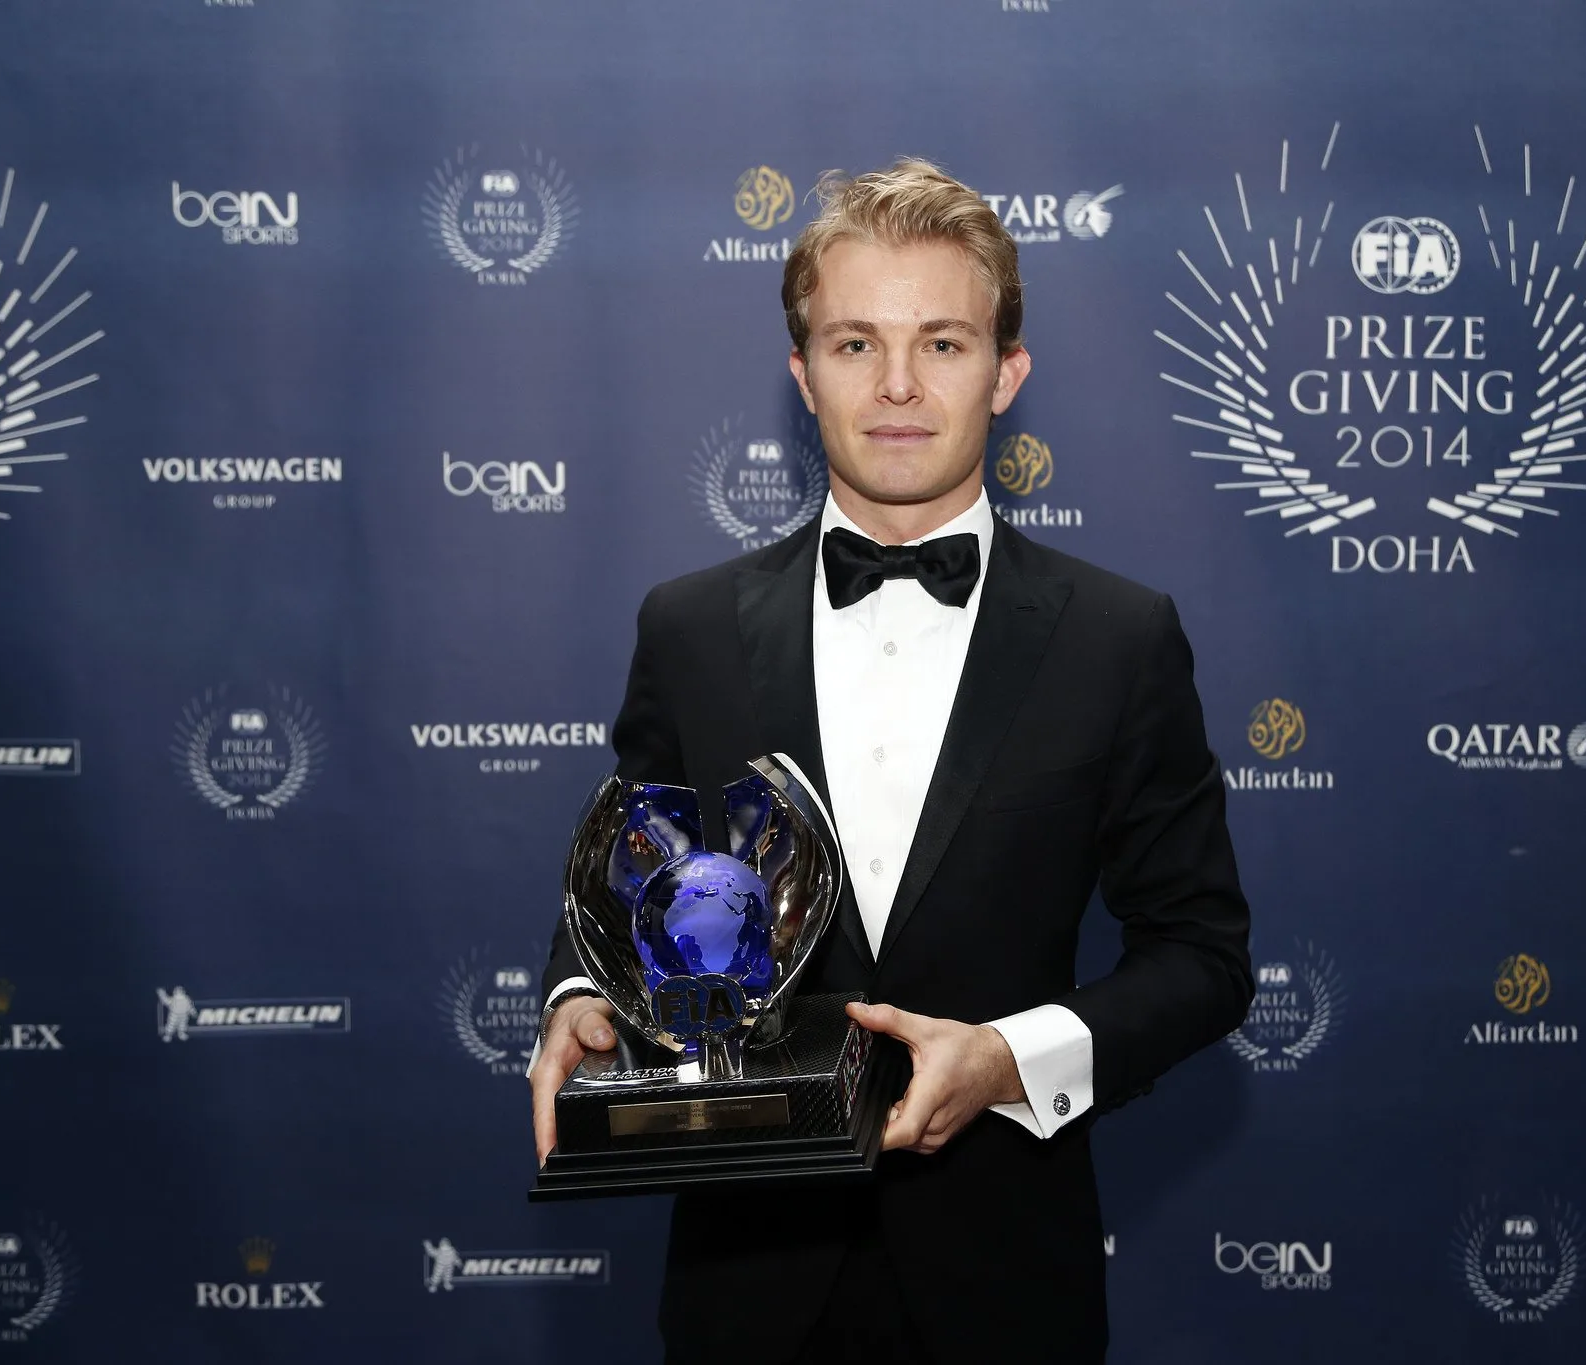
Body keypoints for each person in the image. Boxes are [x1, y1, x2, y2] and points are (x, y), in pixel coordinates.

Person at [529, 159, 1253, 1365]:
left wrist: (1011, 1059)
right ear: (803, 374)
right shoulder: (689, 628)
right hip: (742, 1290)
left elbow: (1201, 956)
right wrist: (578, 997)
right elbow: (629, 872)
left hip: (1005, 1289)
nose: (901, 386)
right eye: (856, 345)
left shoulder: (1120, 640)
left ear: (1006, 374)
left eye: (945, 344)